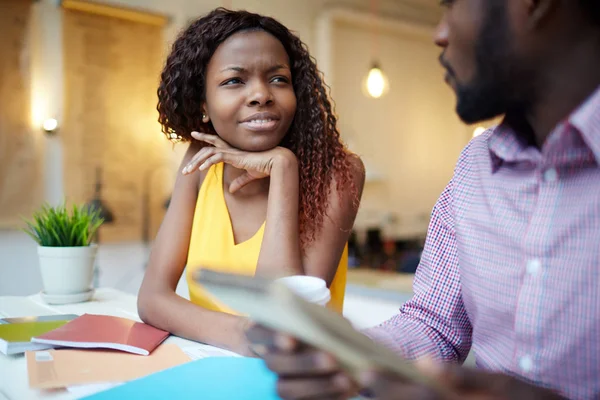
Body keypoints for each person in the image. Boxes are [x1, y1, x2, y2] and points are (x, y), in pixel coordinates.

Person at [247, 0, 600, 398]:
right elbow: (434, 326)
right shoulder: (476, 166)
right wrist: (349, 355)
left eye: (452, 5)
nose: (440, 33)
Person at [138, 8, 365, 356]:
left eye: (278, 79)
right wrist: (247, 335)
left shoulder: (338, 172)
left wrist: (283, 168)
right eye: (234, 80)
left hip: (301, 380)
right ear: (204, 103)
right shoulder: (200, 164)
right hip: (212, 368)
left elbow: (287, 320)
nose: (262, 94)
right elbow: (152, 299)